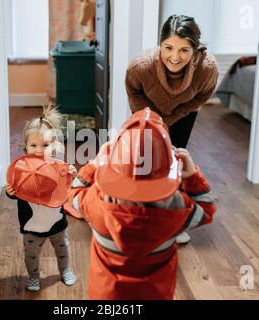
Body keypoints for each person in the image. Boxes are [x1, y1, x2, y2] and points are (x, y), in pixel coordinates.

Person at [63, 108, 217, 300]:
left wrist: (94, 165)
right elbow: (207, 211)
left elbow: (73, 192)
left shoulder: (96, 202)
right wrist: (193, 175)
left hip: (106, 296)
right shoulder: (176, 208)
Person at [125, 14, 219, 244]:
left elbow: (202, 96)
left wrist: (174, 117)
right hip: (148, 109)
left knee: (174, 160)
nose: (174, 57)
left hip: (183, 112)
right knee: (146, 160)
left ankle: (172, 219)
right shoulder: (141, 67)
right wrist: (154, 120)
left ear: (195, 51)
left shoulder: (208, 69)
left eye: (184, 50)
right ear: (160, 45)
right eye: (168, 47)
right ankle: (142, 214)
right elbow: (133, 91)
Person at [5, 105, 77, 292]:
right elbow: (17, 191)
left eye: (45, 145)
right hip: (31, 228)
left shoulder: (57, 166)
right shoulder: (21, 170)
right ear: (25, 147)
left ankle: (65, 270)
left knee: (63, 249)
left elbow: (66, 183)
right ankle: (33, 277)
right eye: (34, 145)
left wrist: (72, 173)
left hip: (57, 224)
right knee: (31, 255)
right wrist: (10, 192)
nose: (39, 150)